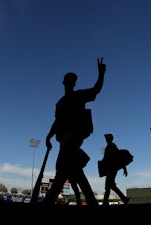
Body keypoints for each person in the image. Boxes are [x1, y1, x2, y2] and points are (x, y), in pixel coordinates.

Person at [43, 57, 106, 207]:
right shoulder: (59, 103)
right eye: (69, 79)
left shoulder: (79, 96)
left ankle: (48, 201)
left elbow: (96, 89)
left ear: (74, 83)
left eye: (73, 80)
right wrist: (48, 136)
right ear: (64, 82)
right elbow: (57, 122)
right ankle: (92, 202)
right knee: (74, 170)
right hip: (64, 138)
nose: (71, 82)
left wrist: (101, 73)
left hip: (75, 133)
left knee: (61, 166)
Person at [101, 133, 130, 205]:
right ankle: (124, 199)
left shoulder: (112, 147)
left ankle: (106, 202)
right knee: (110, 186)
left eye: (107, 138)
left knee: (109, 185)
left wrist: (124, 168)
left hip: (112, 169)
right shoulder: (109, 146)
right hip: (110, 169)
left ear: (109, 139)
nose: (106, 140)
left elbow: (119, 158)